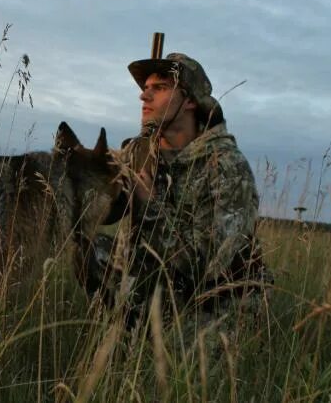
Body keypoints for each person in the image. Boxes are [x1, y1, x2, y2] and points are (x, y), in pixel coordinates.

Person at [76, 41, 272, 336]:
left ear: (189, 100)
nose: (144, 95)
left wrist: (149, 204)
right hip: (158, 283)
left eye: (161, 87)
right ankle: (125, 331)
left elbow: (206, 266)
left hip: (216, 301)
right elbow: (103, 211)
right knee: (89, 251)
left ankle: (148, 334)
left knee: (185, 367)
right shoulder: (138, 151)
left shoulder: (227, 167)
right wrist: (94, 183)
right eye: (145, 87)